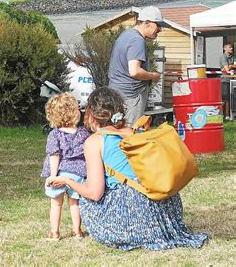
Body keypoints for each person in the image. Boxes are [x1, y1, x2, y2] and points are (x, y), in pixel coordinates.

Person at [48, 87, 209, 250]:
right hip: (163, 209)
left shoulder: (94, 141)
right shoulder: (133, 131)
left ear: (91, 113)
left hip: (132, 214)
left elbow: (95, 193)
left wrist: (67, 180)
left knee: (84, 195)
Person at [40, 92, 90, 241]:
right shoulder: (83, 133)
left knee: (56, 204)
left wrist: (53, 175)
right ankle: (77, 232)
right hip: (79, 174)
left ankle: (54, 232)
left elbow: (54, 155)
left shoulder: (55, 134)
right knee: (75, 203)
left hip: (61, 173)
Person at [108, 6, 166, 126]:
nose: (160, 29)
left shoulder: (125, 35)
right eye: (158, 25)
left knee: (117, 130)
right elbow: (134, 71)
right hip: (131, 97)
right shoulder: (137, 40)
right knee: (129, 133)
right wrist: (153, 76)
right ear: (147, 23)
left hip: (116, 93)